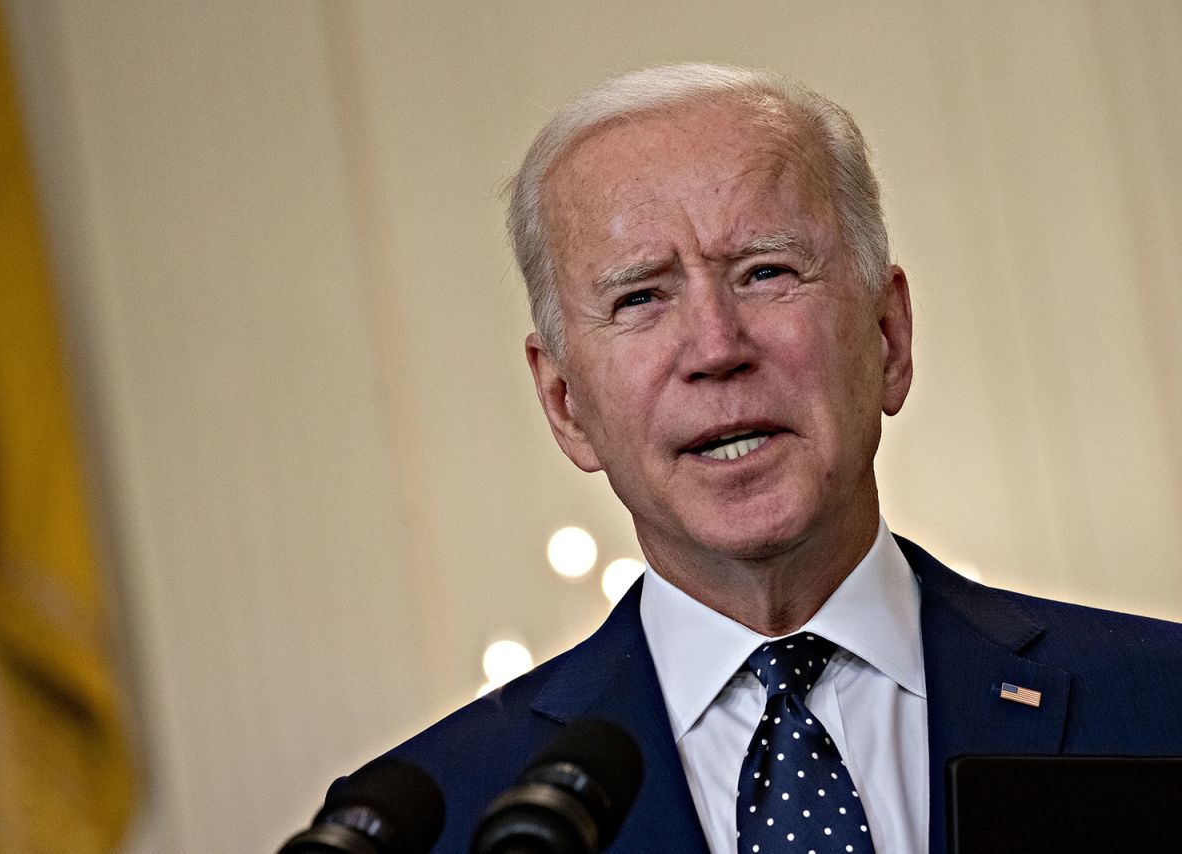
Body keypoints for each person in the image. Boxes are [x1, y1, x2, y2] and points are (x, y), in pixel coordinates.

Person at [319, 64, 1182, 854]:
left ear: (888, 337)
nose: (715, 346)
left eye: (766, 272)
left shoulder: (1158, 701)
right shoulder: (442, 816)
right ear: (566, 404)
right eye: (640, 297)